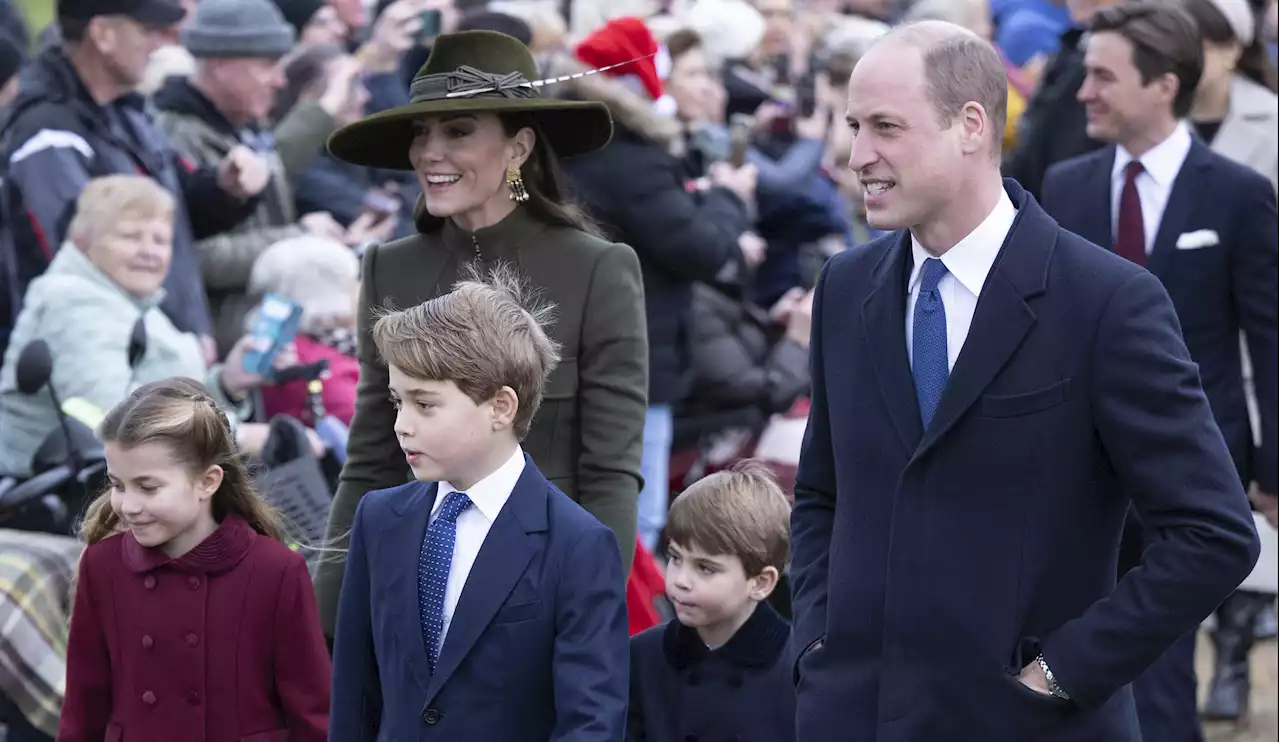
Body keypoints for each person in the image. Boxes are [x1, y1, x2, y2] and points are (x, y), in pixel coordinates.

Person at [790, 19, 1260, 742]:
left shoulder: (1106, 301)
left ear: (972, 125)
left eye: (885, 126)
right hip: (855, 714)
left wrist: (1062, 673)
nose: (857, 155)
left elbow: (1214, 534)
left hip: (1027, 724)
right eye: (854, 126)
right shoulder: (847, 286)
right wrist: (820, 640)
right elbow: (823, 492)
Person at [313, 29, 648, 641]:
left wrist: (586, 618)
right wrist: (325, 623)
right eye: (422, 132)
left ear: (518, 146)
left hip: (537, 593)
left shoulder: (597, 269)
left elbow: (610, 473)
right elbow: (369, 462)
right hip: (412, 596)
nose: (429, 152)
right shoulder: (391, 267)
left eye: (459, 130)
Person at [1039, 3, 1278, 735]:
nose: (1085, 93)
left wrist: (1273, 467)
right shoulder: (1065, 186)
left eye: (1104, 77)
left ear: (1162, 85)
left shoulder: (1237, 194)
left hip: (1196, 466)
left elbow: (1269, 339)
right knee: (1084, 652)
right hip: (1076, 472)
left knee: (1166, 665)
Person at [329, 266, 629, 741]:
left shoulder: (577, 545)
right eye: (397, 403)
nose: (402, 425)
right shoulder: (380, 517)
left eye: (424, 405)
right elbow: (355, 693)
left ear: (500, 407)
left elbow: (591, 722)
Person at [56, 377, 331, 742]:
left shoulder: (276, 571)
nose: (127, 505)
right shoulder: (101, 566)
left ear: (207, 481)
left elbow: (314, 716)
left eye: (148, 487)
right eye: (117, 485)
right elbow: (82, 709)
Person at [0, 0, 271, 363]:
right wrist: (171, 342)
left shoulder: (130, 114)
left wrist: (226, 188)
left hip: (158, 359)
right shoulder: (47, 133)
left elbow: (178, 211)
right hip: (101, 364)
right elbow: (80, 260)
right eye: (148, 30)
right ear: (103, 35)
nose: (162, 43)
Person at [0, 176, 287, 478]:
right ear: (85, 243)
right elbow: (112, 414)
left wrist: (227, 383)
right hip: (47, 495)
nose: (149, 251)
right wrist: (234, 433)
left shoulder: (132, 301)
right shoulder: (73, 301)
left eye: (160, 240)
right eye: (131, 237)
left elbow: (161, 396)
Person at [627, 461, 795, 742]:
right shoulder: (642, 657)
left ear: (761, 582)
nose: (681, 579)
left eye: (705, 568)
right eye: (675, 558)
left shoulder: (799, 669)